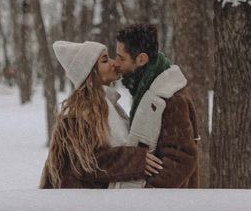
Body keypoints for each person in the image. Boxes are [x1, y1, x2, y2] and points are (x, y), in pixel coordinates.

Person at [39, 40, 163, 188]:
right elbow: (87, 163)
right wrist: (135, 159)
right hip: (78, 205)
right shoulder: (79, 113)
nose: (114, 63)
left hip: (94, 203)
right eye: (105, 60)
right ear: (90, 74)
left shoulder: (107, 105)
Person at [114, 24, 199, 188]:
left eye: (121, 58)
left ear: (141, 59)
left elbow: (182, 159)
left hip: (165, 207)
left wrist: (149, 192)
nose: (116, 63)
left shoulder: (172, 99)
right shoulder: (146, 89)